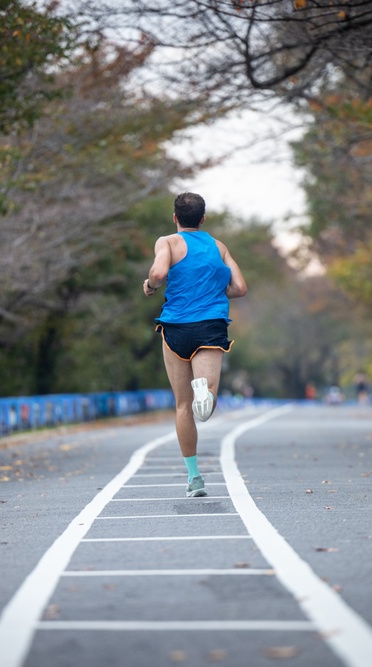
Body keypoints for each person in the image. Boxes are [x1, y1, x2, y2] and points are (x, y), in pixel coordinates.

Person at [144, 192, 247, 497]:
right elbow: (240, 288)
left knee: (182, 405)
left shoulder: (168, 242)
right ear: (203, 219)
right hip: (211, 324)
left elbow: (160, 273)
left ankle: (194, 478)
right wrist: (212, 292)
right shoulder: (218, 246)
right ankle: (206, 388)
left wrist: (150, 285)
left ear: (175, 218)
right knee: (206, 396)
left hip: (176, 326)